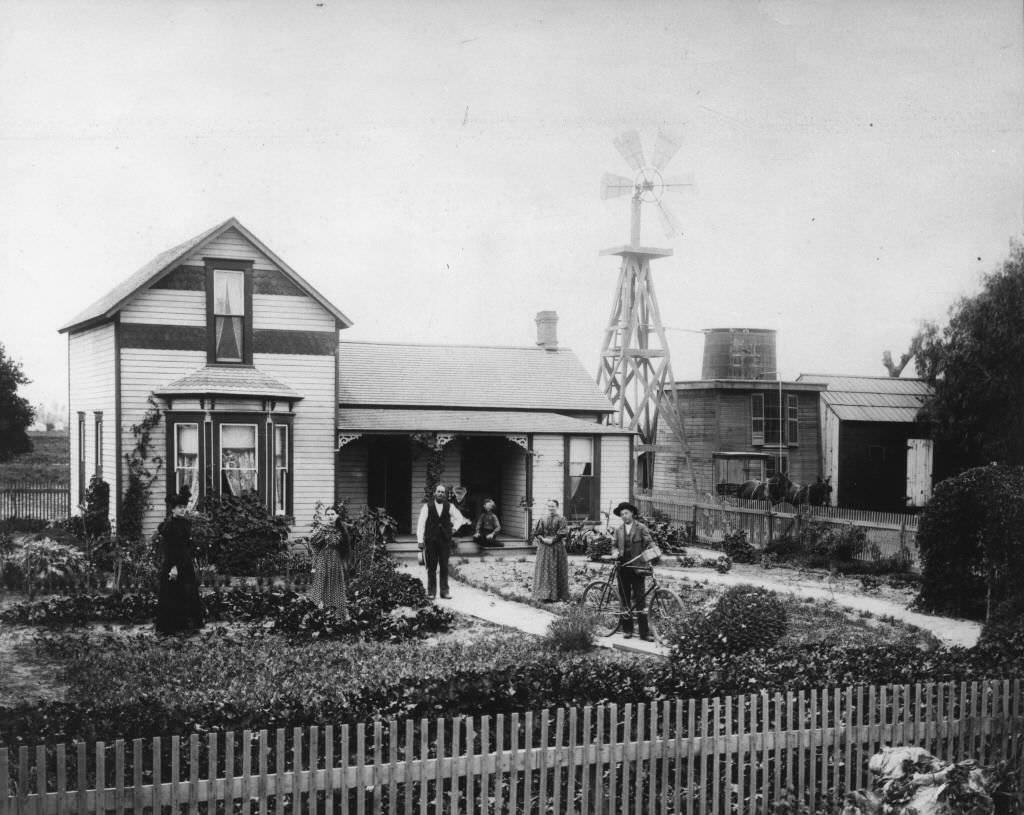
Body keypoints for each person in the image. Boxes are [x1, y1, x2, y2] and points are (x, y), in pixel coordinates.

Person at [155, 488, 205, 635]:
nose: (183, 510)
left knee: (188, 592)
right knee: (172, 594)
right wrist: (174, 568)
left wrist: (190, 559)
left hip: (185, 563)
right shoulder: (169, 525)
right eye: (179, 508)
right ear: (173, 509)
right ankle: (171, 627)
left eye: (184, 507)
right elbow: (171, 549)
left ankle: (187, 625)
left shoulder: (185, 523)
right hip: (173, 563)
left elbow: (186, 546)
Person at [610, 501, 655, 640]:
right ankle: (627, 630)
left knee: (641, 600)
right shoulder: (618, 530)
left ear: (632, 514)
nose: (624, 516)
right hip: (623, 568)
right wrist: (615, 552)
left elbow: (649, 543)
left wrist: (653, 554)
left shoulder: (641, 528)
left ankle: (644, 633)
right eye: (622, 514)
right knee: (625, 599)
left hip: (637, 568)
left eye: (626, 513)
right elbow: (614, 546)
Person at [416, 483, 469, 599]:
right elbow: (421, 524)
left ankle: (444, 592)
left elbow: (460, 518)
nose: (440, 493)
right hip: (431, 540)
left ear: (445, 494)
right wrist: (420, 540)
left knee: (444, 566)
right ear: (435, 493)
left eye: (442, 492)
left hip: (445, 540)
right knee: (431, 567)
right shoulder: (427, 506)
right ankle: (431, 592)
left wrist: (454, 528)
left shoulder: (449, 506)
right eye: (438, 491)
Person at [309, 505, 351, 620]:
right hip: (323, 559)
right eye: (328, 514)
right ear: (325, 516)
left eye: (333, 514)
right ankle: (320, 612)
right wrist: (316, 556)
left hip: (335, 560)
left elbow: (342, 545)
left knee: (335, 583)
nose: (330, 517)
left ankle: (337, 613)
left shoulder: (341, 530)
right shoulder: (322, 529)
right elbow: (312, 542)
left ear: (337, 516)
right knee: (321, 582)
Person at [531, 498, 569, 602]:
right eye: (549, 506)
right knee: (544, 570)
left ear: (557, 507)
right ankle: (543, 594)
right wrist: (543, 539)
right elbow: (537, 532)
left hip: (556, 547)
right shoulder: (542, 518)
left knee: (556, 569)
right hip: (544, 547)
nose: (551, 508)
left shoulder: (561, 519)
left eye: (553, 506)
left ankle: (556, 596)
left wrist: (553, 540)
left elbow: (563, 532)